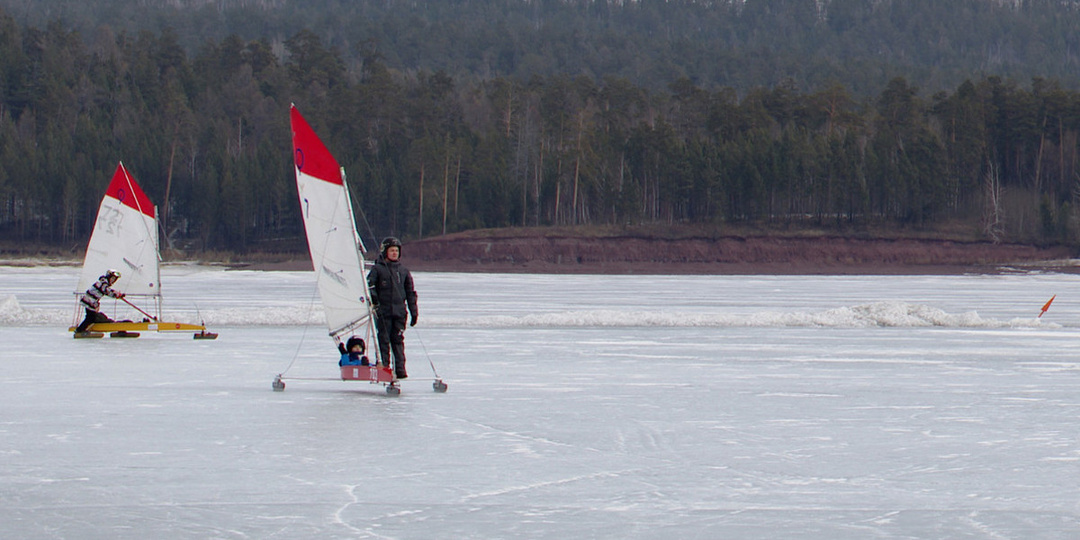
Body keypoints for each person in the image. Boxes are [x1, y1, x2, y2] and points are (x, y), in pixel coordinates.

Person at [367, 237, 417, 379]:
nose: (394, 253)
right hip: (383, 312)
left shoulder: (404, 271)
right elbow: (370, 286)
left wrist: (414, 312)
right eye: (392, 250)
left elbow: (410, 293)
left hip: (399, 312)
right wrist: (375, 301)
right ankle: (385, 367)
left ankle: (400, 369)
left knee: (398, 340)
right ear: (385, 252)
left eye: (396, 251)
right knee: (384, 339)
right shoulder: (377, 269)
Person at [76, 269, 125, 333]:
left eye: (115, 279)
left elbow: (107, 291)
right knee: (90, 317)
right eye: (112, 278)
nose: (113, 281)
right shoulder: (103, 283)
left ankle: (81, 329)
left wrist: (116, 295)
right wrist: (116, 294)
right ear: (109, 277)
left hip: (91, 302)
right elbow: (106, 290)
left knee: (91, 317)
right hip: (89, 301)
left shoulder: (104, 283)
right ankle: (79, 330)